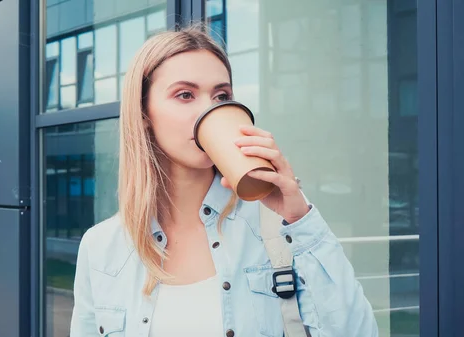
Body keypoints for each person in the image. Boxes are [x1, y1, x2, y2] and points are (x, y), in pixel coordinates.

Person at [69, 24, 378, 337]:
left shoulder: (276, 224)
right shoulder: (102, 247)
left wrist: (301, 220)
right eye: (185, 94)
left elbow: (357, 332)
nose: (209, 109)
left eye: (221, 95)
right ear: (144, 114)